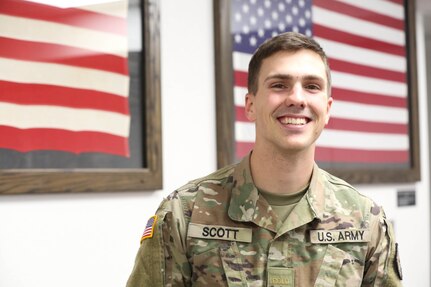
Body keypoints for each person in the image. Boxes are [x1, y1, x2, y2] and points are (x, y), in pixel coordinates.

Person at [126, 32, 403, 286]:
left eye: (312, 86)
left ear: (327, 109)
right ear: (250, 105)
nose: (297, 98)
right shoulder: (184, 215)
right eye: (279, 85)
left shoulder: (366, 222)